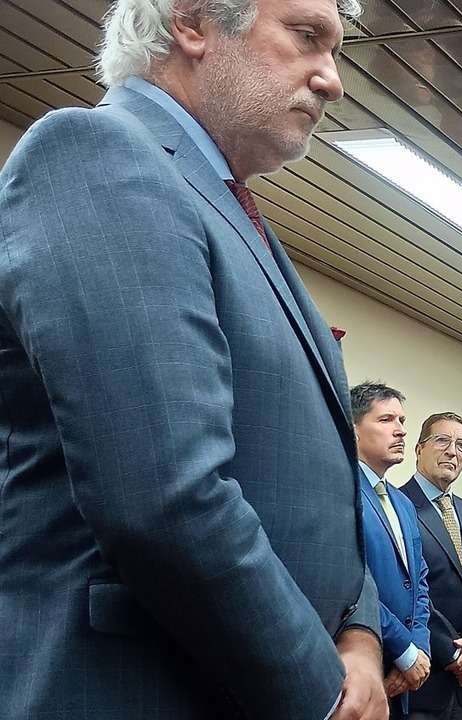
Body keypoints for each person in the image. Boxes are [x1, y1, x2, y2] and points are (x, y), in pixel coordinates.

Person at [0, 1, 387, 718]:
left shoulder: (228, 209)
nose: (332, 80)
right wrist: (321, 690)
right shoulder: (97, 153)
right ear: (192, 23)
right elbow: (164, 496)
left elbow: (324, 486)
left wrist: (360, 632)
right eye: (307, 37)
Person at [400, 413, 462, 720]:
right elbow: (404, 592)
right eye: (442, 440)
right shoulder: (397, 505)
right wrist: (452, 652)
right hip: (419, 680)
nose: (452, 452)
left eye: (461, 446)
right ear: (419, 448)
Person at [352, 383, 433, 719]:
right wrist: (404, 650)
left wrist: (420, 647)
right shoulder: (344, 493)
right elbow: (353, 583)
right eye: (386, 420)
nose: (400, 430)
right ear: (354, 429)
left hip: (405, 679)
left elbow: (419, 581)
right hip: (361, 670)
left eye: (402, 420)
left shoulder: (403, 503)